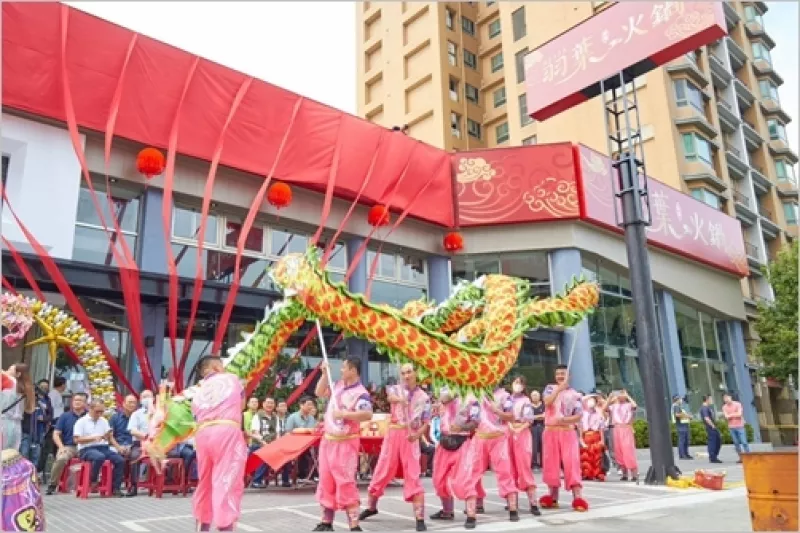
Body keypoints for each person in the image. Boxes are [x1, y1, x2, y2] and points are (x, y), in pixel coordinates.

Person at [360, 363, 430, 532]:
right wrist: (401, 399)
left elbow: (426, 422)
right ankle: (371, 506)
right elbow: (390, 397)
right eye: (403, 372)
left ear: (416, 373)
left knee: (413, 473)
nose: (406, 376)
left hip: (409, 436)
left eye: (409, 372)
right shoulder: (396, 389)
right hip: (393, 434)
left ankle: (419, 518)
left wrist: (417, 434)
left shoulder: (424, 397)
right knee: (383, 469)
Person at [313, 357, 373, 532]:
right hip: (328, 441)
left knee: (345, 482)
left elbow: (367, 414)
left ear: (353, 371)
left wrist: (345, 414)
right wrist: (324, 375)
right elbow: (319, 392)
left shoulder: (360, 392)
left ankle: (354, 525)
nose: (341, 370)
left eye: (344, 367)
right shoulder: (337, 386)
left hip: (346, 444)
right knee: (326, 480)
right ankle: (326, 522)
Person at [190, 355, 248, 532]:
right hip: (226, 431)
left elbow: (195, 414)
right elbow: (242, 405)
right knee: (227, 480)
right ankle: (225, 527)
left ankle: (202, 526)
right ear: (215, 367)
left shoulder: (197, 390)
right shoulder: (231, 379)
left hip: (203, 434)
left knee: (205, 481)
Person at [452, 384, 519, 529]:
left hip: (498, 438)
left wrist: (496, 411)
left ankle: (513, 509)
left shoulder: (504, 396)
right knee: (471, 474)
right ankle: (471, 514)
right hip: (480, 438)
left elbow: (511, 416)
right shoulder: (474, 396)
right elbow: (471, 421)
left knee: (505, 472)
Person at [539, 365, 588, 512]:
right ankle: (552, 497)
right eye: (558, 373)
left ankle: (577, 497)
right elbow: (547, 402)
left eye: (563, 374)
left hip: (567, 432)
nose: (560, 376)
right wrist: (558, 389)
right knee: (550, 464)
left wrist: (565, 420)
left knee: (572, 463)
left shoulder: (575, 394)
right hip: (550, 432)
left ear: (569, 376)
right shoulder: (549, 388)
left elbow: (579, 415)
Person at [429, 386, 479, 523]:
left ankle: (471, 515)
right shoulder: (443, 392)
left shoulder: (471, 399)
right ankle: (447, 511)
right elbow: (437, 409)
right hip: (444, 442)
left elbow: (476, 422)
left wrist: (462, 427)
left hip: (462, 442)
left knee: (464, 480)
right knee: (439, 479)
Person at [73, 400, 125, 496]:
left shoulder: (104, 421)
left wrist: (118, 447)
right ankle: (93, 480)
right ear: (90, 409)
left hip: (103, 447)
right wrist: (92, 438)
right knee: (99, 457)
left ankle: (115, 487)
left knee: (120, 460)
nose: (100, 414)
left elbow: (110, 437)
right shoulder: (81, 422)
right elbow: (77, 439)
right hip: (86, 449)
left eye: (102, 411)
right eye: (97, 411)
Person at [509, 377, 541, 515]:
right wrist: (510, 426)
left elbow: (529, 420)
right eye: (515, 382)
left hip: (522, 433)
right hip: (508, 433)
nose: (517, 385)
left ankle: (533, 503)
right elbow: (504, 417)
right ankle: (512, 503)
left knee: (524, 467)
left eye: (520, 383)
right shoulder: (507, 399)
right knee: (510, 468)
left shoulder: (526, 401)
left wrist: (518, 429)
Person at [45, 392, 88, 495]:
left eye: (80, 400)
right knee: (61, 458)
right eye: (75, 400)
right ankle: (52, 484)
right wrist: (61, 447)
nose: (77, 402)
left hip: (85, 446)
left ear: (85, 403)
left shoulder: (88, 416)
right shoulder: (65, 416)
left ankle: (92, 483)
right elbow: (56, 434)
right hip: (69, 446)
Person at [125, 389, 153, 496]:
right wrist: (146, 436)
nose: (147, 399)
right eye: (144, 397)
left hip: (156, 444)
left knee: (170, 455)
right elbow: (132, 430)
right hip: (140, 443)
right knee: (134, 457)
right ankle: (134, 486)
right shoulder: (136, 414)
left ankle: (166, 484)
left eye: (149, 397)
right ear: (140, 400)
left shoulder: (159, 412)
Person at [606, 390, 638, 482]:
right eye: (619, 396)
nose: (620, 397)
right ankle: (624, 474)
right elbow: (604, 408)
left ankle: (634, 474)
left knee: (628, 450)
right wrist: (610, 398)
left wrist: (627, 396)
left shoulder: (628, 405)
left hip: (626, 428)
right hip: (616, 429)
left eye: (621, 395)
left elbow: (634, 405)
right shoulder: (614, 406)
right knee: (619, 451)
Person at [1, 364, 35, 451]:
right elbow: (30, 410)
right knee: (11, 457)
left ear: (18, 374)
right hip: (17, 426)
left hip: (3, 423)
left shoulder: (9, 381)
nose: (7, 371)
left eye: (10, 369)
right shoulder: (28, 389)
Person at [285, 396, 319, 480]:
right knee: (303, 454)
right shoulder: (292, 417)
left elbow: (313, 431)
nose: (311, 407)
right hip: (295, 444)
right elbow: (288, 432)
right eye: (308, 405)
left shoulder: (311, 418)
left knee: (319, 451)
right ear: (301, 405)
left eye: (312, 405)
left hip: (308, 443)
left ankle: (314, 475)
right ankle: (302, 475)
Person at [39, 377, 66, 475]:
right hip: (53, 424)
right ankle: (40, 471)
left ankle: (55, 472)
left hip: (58, 423)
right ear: (62, 384)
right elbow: (51, 410)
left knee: (55, 449)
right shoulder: (53, 394)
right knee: (47, 448)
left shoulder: (58, 394)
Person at [249, 397, 278, 488]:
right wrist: (264, 442)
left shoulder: (275, 417)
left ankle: (285, 478)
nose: (270, 405)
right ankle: (256, 481)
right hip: (258, 443)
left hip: (271, 444)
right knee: (265, 454)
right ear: (263, 404)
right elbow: (255, 433)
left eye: (272, 403)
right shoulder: (258, 416)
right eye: (268, 403)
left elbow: (277, 433)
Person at [579, 393, 606, 481]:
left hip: (596, 435)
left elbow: (601, 427)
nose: (591, 402)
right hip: (586, 435)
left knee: (597, 456)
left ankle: (598, 474)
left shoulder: (599, 412)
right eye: (589, 401)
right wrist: (581, 439)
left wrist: (602, 440)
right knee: (586, 456)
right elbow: (580, 427)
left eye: (593, 401)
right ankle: (586, 474)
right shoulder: (583, 413)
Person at [722, 393, 749, 462]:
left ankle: (748, 456)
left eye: (727, 398)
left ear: (730, 397)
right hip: (731, 427)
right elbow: (726, 417)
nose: (726, 399)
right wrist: (734, 414)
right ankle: (741, 458)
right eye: (724, 398)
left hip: (740, 426)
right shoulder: (724, 407)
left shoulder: (737, 404)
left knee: (744, 442)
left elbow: (739, 414)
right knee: (736, 443)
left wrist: (730, 415)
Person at [699, 395, 722, 464]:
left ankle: (714, 456)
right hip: (710, 427)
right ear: (707, 399)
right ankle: (712, 457)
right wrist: (712, 425)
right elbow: (706, 418)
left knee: (718, 440)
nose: (711, 400)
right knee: (713, 442)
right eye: (710, 399)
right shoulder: (704, 408)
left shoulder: (707, 407)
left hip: (712, 426)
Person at [671, 395, 693, 460]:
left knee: (686, 440)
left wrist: (687, 416)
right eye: (680, 399)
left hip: (684, 425)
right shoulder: (676, 406)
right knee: (682, 441)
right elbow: (677, 415)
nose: (681, 400)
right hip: (681, 425)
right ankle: (682, 455)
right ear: (677, 399)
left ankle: (686, 454)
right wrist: (687, 416)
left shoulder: (678, 406)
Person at [529, 390, 545, 469]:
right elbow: (528, 417)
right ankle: (534, 463)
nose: (535, 397)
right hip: (533, 427)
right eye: (533, 395)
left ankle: (544, 463)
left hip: (543, 427)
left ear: (539, 396)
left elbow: (545, 416)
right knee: (533, 446)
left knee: (544, 445)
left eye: (536, 395)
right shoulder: (529, 406)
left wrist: (534, 417)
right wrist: (539, 416)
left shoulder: (544, 405)